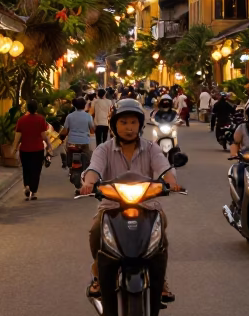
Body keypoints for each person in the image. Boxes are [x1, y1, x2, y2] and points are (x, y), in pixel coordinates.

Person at [79, 97, 181, 299]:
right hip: (111, 206)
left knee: (161, 234)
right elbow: (93, 169)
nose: (129, 127)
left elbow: (165, 169)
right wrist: (88, 183)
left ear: (141, 125)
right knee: (95, 231)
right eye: (123, 122)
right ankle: (99, 274)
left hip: (147, 204)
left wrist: (171, 181)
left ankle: (160, 279)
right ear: (114, 125)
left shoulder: (152, 148)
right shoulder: (103, 149)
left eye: (133, 122)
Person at [12, 100, 49, 200]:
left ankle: (26, 186)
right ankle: (33, 191)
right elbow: (44, 136)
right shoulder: (41, 119)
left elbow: (17, 137)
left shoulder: (21, 120)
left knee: (26, 169)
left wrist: (14, 148)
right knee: (36, 170)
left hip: (25, 149)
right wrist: (49, 146)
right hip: (38, 149)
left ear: (27, 108)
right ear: (36, 108)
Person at [59, 97, 95, 185]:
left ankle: (70, 167)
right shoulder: (88, 116)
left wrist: (61, 137)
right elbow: (92, 130)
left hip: (72, 143)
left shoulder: (70, 116)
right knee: (88, 160)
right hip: (84, 143)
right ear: (84, 106)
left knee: (68, 155)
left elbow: (65, 131)